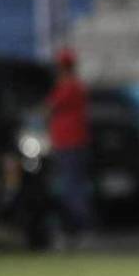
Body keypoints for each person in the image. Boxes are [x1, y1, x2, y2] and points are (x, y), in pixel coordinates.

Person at [45, 49, 93, 244]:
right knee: (72, 187)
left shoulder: (69, 87)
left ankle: (78, 229)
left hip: (69, 144)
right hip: (70, 143)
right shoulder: (74, 86)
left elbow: (48, 108)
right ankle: (75, 229)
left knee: (72, 189)